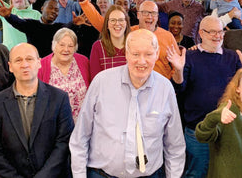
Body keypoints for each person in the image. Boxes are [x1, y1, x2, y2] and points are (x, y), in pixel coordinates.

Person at [70, 29, 186, 178]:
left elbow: (174, 146)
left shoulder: (165, 88)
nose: (142, 61)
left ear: (157, 54)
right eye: (135, 54)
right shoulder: (101, 82)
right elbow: (80, 137)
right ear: (126, 53)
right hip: (101, 174)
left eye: (148, 54)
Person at [171, 16, 242, 177]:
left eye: (220, 32)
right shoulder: (189, 57)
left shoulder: (232, 57)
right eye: (212, 32)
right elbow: (179, 87)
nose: (217, 36)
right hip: (197, 130)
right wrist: (178, 70)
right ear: (201, 33)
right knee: (196, 173)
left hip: (227, 129)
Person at [0, 43, 74, 178]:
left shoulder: (59, 98)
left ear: (39, 63)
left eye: (29, 59)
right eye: (18, 60)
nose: (24, 64)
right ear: (10, 67)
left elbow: (63, 143)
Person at [0, 0, 96, 58]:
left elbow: (67, 27)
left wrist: (74, 23)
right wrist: (8, 16)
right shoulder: (32, 24)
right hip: (34, 64)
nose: (53, 11)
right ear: (42, 8)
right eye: (50, 8)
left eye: (56, 10)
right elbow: (19, 22)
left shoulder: (58, 28)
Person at [38, 28, 90, 122]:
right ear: (54, 45)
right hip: (54, 125)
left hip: (82, 124)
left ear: (75, 47)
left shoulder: (84, 61)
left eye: (70, 46)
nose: (66, 49)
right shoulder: (42, 66)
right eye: (61, 45)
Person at [89, 5, 131, 80]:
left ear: (126, 23)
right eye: (113, 20)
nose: (117, 23)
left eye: (121, 20)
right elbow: (95, 80)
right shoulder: (98, 47)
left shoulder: (134, 45)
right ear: (107, 24)